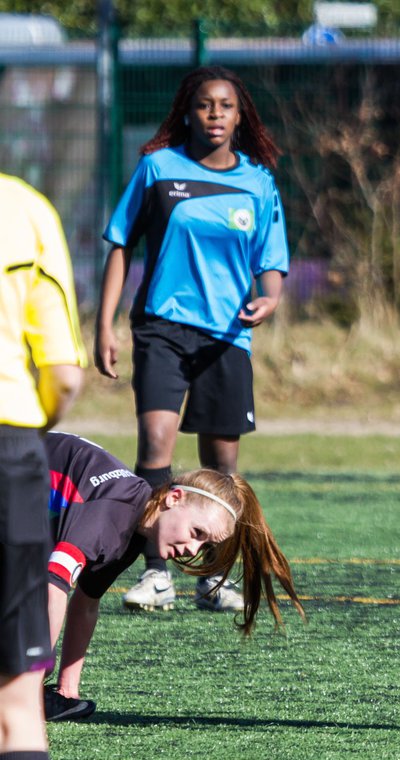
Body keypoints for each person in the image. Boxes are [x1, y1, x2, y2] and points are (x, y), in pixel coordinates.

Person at [94, 65, 289, 615]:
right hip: (162, 326)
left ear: (239, 115)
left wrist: (269, 297)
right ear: (188, 110)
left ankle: (211, 577)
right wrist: (103, 324)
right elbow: (118, 243)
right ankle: (155, 574)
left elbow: (271, 261)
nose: (215, 115)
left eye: (226, 106)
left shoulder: (258, 181)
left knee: (221, 466)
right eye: (205, 105)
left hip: (228, 336)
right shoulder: (158, 168)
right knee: (155, 443)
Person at [41, 431, 304, 723]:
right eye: (197, 533)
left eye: (205, 546)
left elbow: (86, 603)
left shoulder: (131, 529)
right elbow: (53, 586)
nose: (192, 549)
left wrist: (67, 690)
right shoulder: (110, 516)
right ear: (174, 498)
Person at [0, 173, 86, 760]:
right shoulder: (25, 207)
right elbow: (61, 373)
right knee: (16, 705)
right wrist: (32, 429)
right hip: (7, 452)